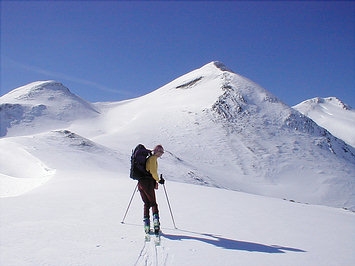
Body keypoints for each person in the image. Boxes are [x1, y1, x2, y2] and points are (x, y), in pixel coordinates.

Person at [137, 144, 165, 234]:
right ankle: (156, 225)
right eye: (160, 152)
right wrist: (158, 180)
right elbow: (153, 171)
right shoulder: (153, 159)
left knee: (146, 203)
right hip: (147, 183)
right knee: (153, 203)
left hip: (141, 183)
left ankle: (146, 225)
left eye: (162, 152)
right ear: (156, 151)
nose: (161, 154)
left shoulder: (149, 158)